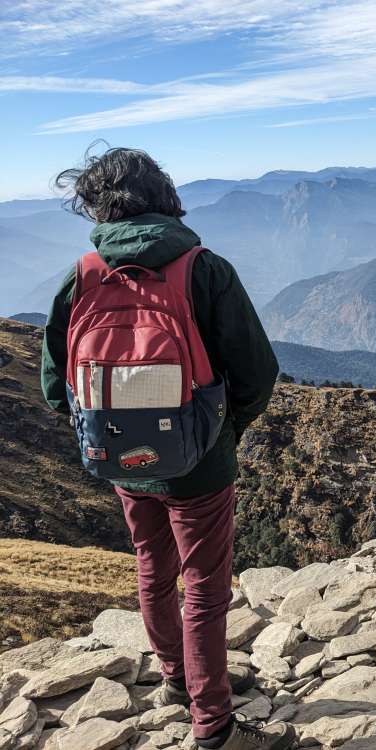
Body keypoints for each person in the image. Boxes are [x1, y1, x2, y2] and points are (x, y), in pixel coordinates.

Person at [41, 147, 293, 750]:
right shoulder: (203, 268)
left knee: (153, 569)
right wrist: (221, 432)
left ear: (97, 206)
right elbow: (258, 372)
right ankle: (216, 726)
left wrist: (105, 430)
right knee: (205, 585)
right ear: (164, 195)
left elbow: (56, 384)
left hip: (119, 459)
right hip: (199, 460)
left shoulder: (82, 274)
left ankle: (178, 681)